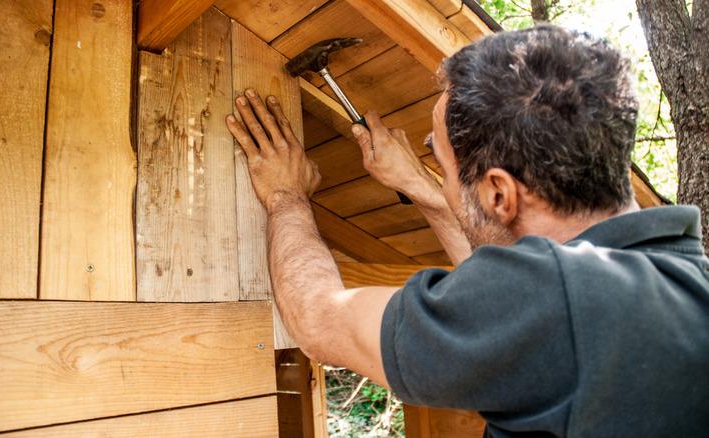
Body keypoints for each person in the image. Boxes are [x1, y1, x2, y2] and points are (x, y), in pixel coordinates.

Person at [225, 25, 708, 437]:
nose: (445, 183)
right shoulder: (675, 277)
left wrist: (285, 195)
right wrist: (420, 186)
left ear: (499, 194)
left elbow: (320, 323)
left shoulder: (552, 300)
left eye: (443, 165)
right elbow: (496, 278)